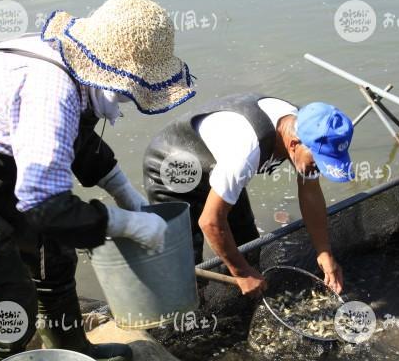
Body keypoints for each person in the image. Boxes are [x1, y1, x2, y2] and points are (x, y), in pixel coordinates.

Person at [0, 0, 195, 361]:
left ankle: (73, 350)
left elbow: (70, 136)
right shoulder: (50, 91)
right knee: (8, 291)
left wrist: (123, 190)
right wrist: (127, 224)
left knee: (53, 256)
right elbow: (44, 206)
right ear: (112, 76)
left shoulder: (65, 58)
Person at [144, 94, 353, 297]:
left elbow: (310, 191)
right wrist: (241, 273)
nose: (318, 168)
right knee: (185, 262)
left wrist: (324, 251)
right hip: (172, 163)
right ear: (293, 144)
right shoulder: (246, 151)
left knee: (246, 243)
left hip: (218, 162)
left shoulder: (306, 127)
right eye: (317, 163)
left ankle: (238, 297)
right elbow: (210, 222)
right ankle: (192, 311)